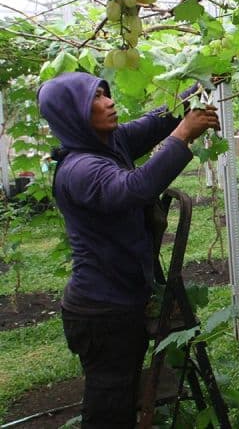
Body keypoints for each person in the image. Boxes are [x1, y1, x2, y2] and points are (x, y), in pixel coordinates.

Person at [37, 71, 219, 428]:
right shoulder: (80, 169)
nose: (109, 102)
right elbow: (136, 188)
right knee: (109, 410)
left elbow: (155, 123)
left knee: (119, 398)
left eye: (106, 93)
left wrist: (200, 84)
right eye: (95, 100)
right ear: (72, 114)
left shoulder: (108, 143)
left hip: (118, 303)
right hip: (101, 313)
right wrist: (184, 134)